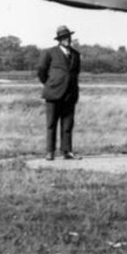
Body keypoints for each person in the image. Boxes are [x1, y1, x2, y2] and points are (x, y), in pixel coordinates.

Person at [36, 25, 82, 160]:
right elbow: (41, 71)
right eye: (63, 38)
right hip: (53, 93)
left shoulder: (76, 55)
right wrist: (50, 84)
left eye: (68, 37)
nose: (67, 40)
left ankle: (67, 151)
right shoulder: (49, 53)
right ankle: (50, 152)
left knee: (67, 125)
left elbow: (75, 73)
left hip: (70, 95)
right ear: (59, 40)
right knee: (51, 124)